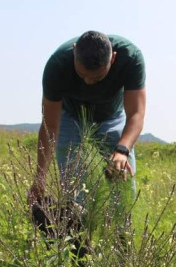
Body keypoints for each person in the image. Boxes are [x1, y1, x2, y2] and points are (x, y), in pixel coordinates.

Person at [28, 30, 146, 209]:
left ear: (113, 58)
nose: (89, 82)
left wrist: (122, 150)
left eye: (98, 78)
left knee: (122, 177)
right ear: (74, 51)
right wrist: (40, 178)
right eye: (82, 75)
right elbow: (50, 126)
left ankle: (122, 225)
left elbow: (136, 114)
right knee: (73, 187)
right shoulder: (57, 65)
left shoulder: (130, 58)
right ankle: (77, 221)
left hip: (111, 117)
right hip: (70, 117)